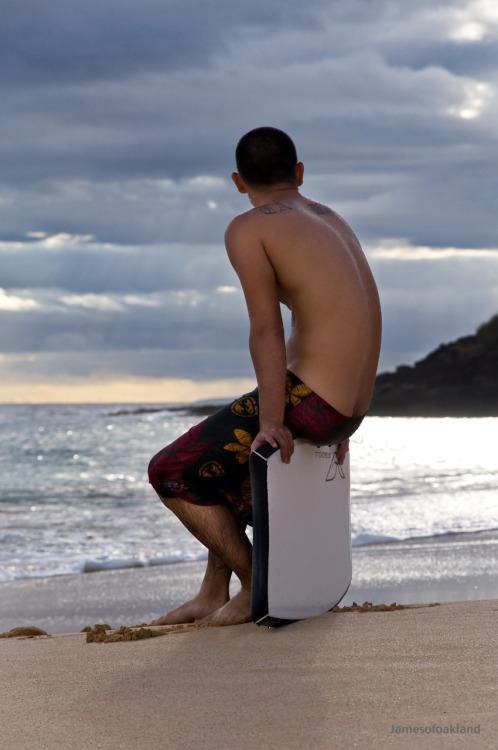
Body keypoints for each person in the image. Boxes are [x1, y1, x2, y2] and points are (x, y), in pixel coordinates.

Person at [148, 127, 381, 626]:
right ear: (299, 173)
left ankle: (256, 584)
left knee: (170, 470)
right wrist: (345, 418)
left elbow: (266, 329)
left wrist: (273, 420)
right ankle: (213, 592)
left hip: (314, 398)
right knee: (225, 469)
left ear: (238, 181)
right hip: (346, 403)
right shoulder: (332, 220)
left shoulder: (248, 227)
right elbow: (360, 315)